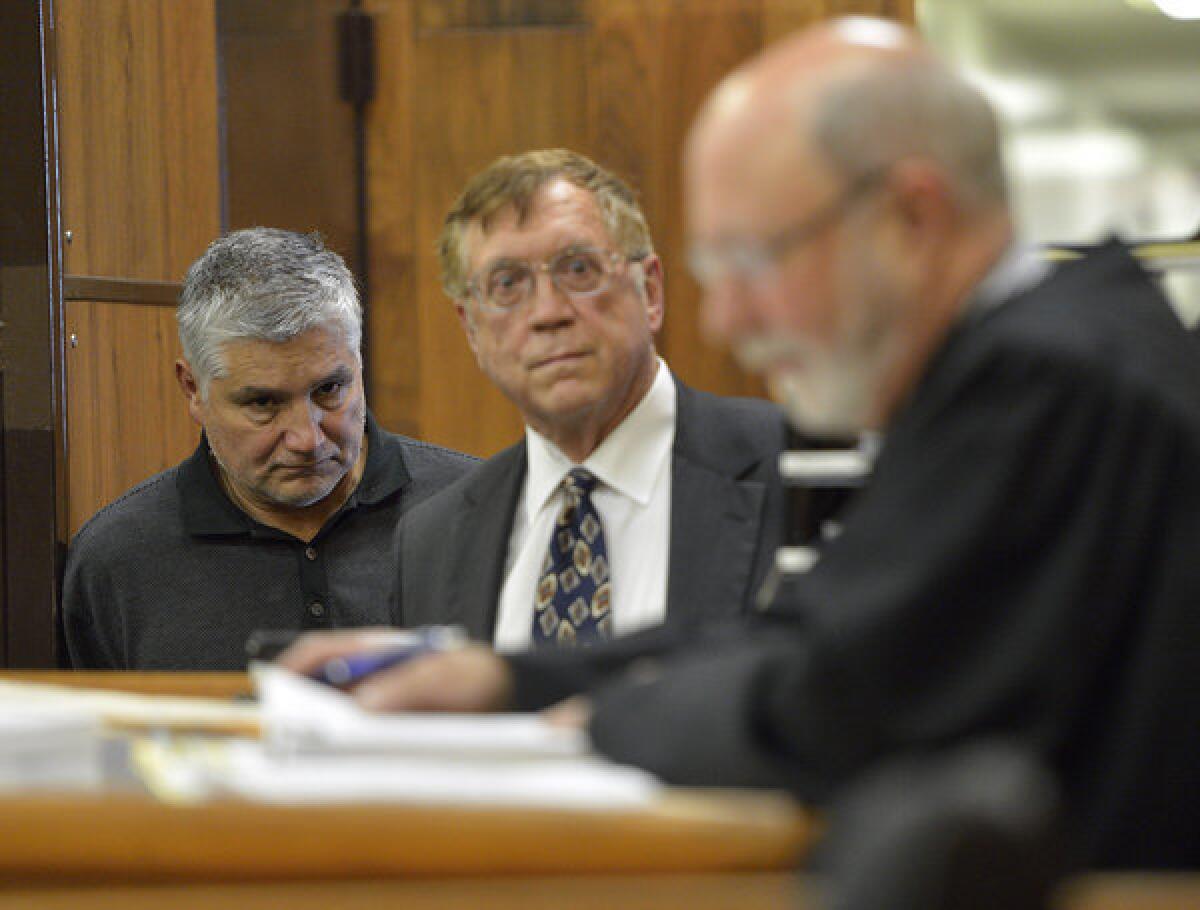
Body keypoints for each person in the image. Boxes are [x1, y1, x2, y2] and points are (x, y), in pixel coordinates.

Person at [282, 19, 1200, 868]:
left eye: (755, 261)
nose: (727, 317)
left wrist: (599, 721)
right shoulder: (1065, 354)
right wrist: (504, 676)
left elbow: (832, 701)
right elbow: (806, 645)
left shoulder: (1044, 385)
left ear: (912, 219)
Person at [391, 149, 788, 647]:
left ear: (650, 291)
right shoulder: (431, 542)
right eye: (507, 284)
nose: (548, 312)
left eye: (578, 269)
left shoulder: (794, 466)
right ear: (471, 328)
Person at [63, 228, 477, 670]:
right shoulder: (118, 559)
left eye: (330, 389)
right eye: (263, 403)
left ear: (359, 364)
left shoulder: (480, 510)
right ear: (193, 390)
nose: (307, 439)